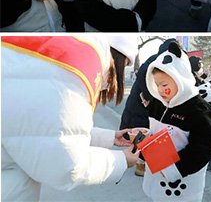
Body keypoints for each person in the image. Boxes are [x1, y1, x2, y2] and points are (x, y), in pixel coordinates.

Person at [1, 36, 140, 202]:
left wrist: (109, 138)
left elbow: (42, 128)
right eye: (124, 66)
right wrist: (121, 160)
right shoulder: (77, 66)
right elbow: (68, 166)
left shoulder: (45, 53)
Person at [143, 41, 211, 201]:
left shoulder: (200, 110)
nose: (160, 90)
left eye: (164, 84)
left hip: (182, 184)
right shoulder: (157, 103)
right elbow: (153, 133)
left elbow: (204, 149)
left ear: (180, 79)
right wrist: (143, 138)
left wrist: (173, 169)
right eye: (156, 85)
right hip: (155, 177)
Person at [119, 38, 177, 177]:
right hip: (140, 110)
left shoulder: (156, 64)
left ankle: (145, 164)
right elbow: (150, 93)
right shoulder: (152, 68)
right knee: (144, 136)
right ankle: (141, 165)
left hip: (141, 110)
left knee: (146, 136)